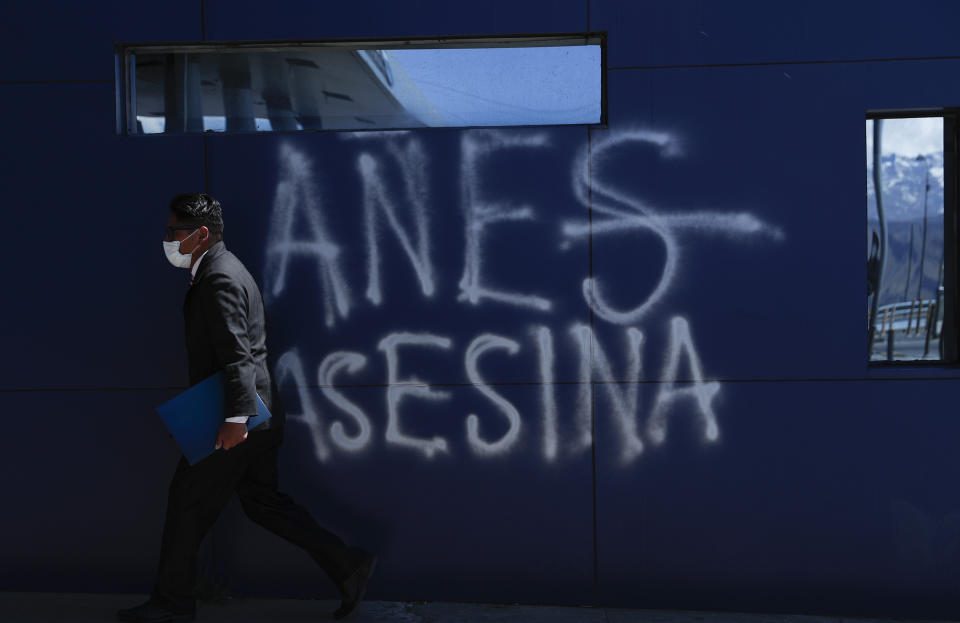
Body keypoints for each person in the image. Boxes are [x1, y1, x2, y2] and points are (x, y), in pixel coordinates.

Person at [118, 193, 375, 623]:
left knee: (186, 502)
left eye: (172, 232)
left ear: (200, 235)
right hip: (259, 412)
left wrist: (235, 420)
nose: (166, 240)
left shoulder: (218, 277)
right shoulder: (224, 269)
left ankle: (171, 604)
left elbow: (237, 355)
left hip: (238, 415)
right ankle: (348, 565)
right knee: (262, 502)